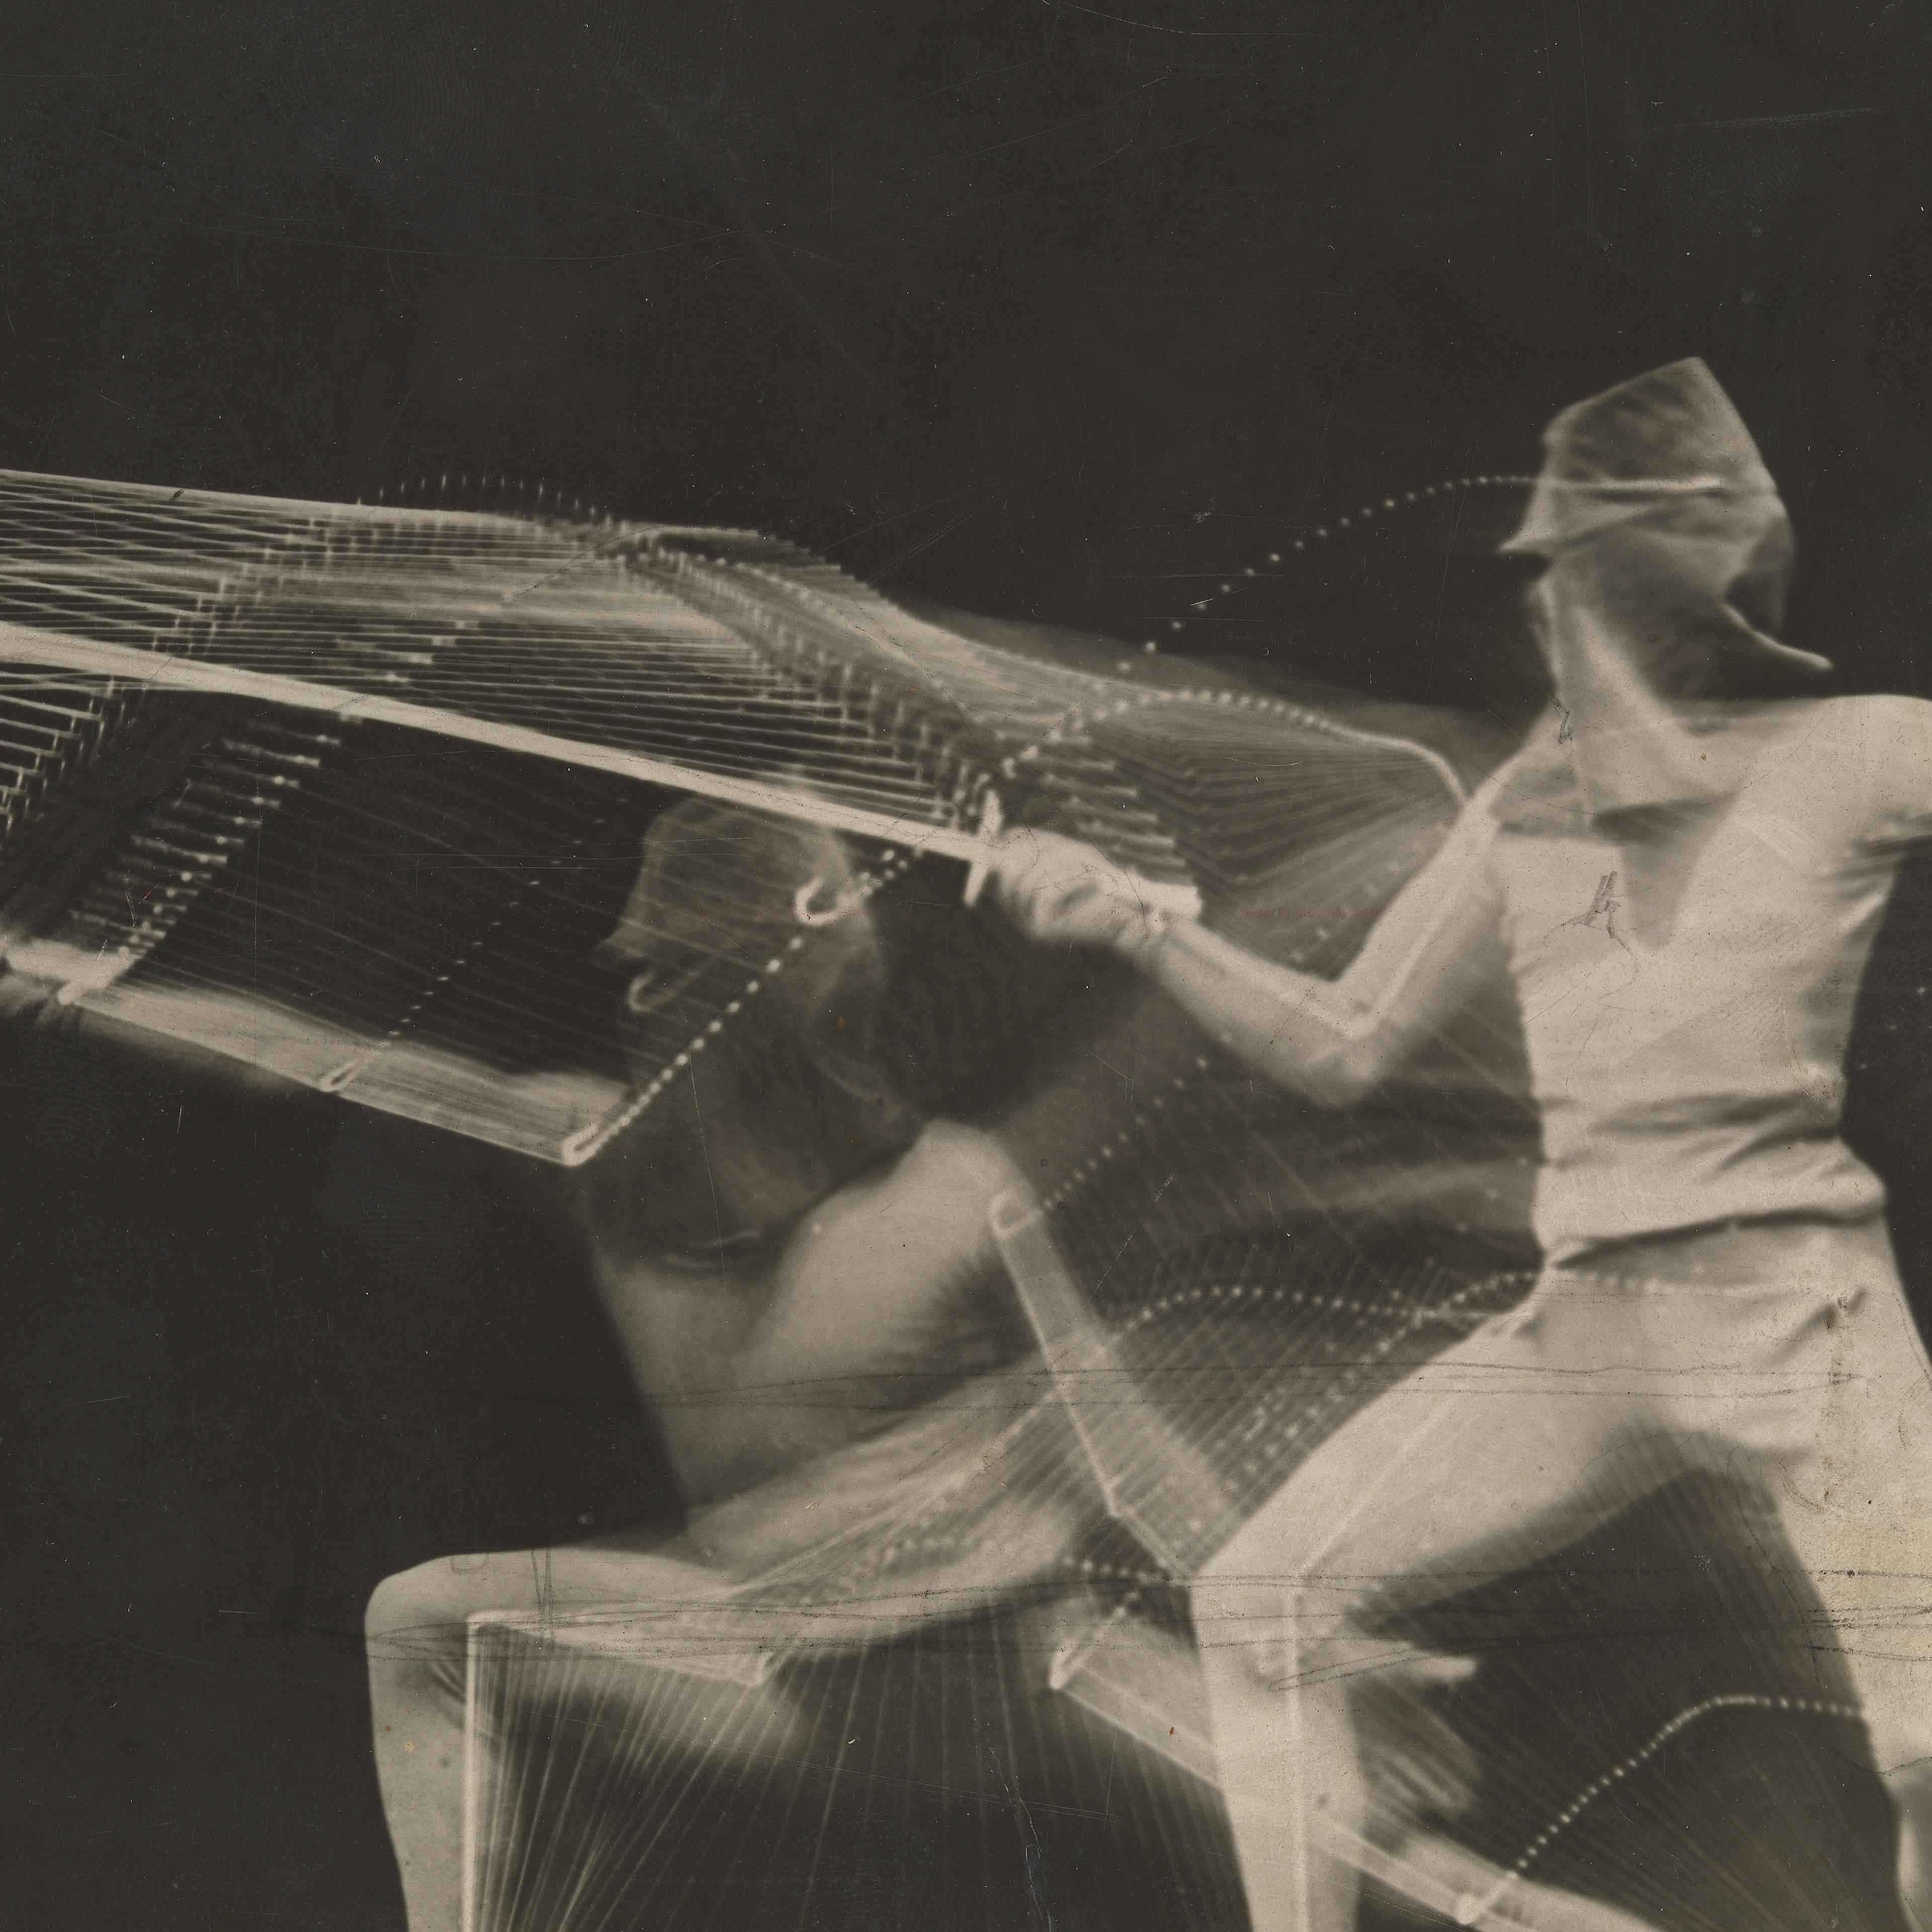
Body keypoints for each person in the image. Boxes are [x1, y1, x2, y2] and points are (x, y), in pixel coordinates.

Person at [985, 359, 1932, 1930]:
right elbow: (1344, 1047)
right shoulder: (1527, 811)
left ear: (1674, 588)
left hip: (1800, 1326)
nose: (1551, 612)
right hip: (1586, 1338)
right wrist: (1140, 927)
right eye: (1549, 584)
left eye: (1579, 575)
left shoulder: (1866, 753)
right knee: (1265, 1599)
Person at [364, 800, 1089, 1932]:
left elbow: (1116, 1448)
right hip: (781, 1664)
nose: (627, 976)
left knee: (1345, 1822)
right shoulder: (603, 1156)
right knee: (427, 1623)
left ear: (771, 990)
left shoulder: (949, 1191)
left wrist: (1295, 1652)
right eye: (639, 962)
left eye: (668, 961)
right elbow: (332, 1070)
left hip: (974, 1679)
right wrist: (60, 984)